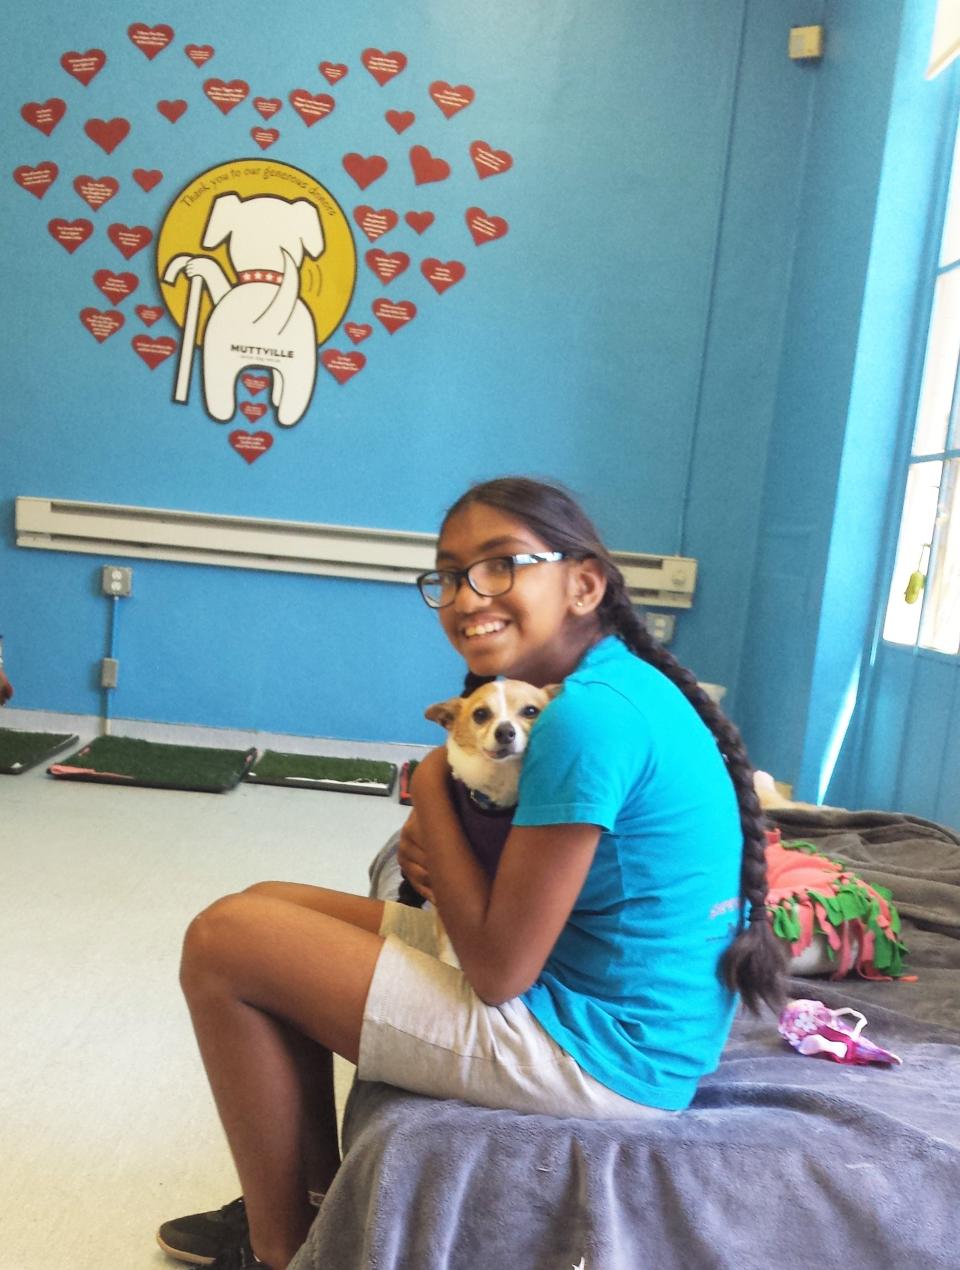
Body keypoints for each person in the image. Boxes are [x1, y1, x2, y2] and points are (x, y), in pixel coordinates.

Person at [159, 476, 785, 1270]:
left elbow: (495, 970)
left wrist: (430, 791)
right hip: (581, 985)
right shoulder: (612, 683)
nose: (466, 595)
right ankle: (316, 1200)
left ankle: (279, 1254)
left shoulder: (580, 718)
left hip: (604, 1050)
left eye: (499, 565)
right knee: (267, 905)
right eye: (449, 574)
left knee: (226, 940)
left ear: (584, 583)